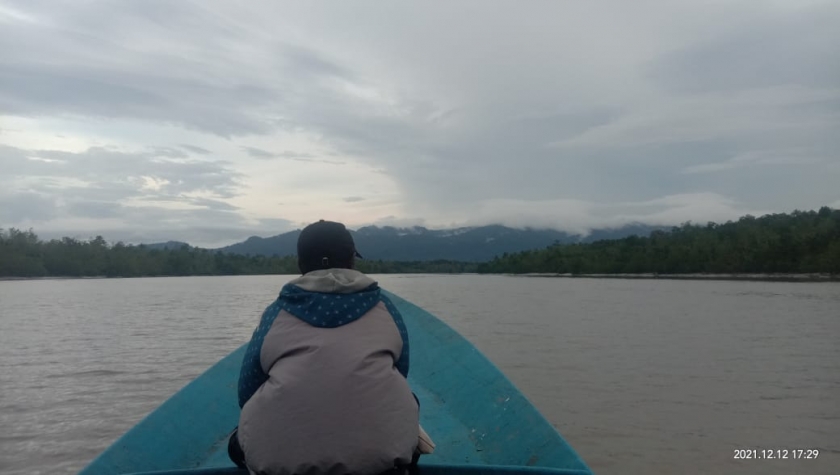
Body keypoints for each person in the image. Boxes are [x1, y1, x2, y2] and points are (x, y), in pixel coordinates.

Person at [230, 220, 426, 475]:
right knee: (411, 403)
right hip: (380, 464)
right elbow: (401, 373)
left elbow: (246, 394)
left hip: (281, 465)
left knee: (235, 444)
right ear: (352, 261)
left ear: (300, 265)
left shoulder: (275, 314)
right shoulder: (385, 308)